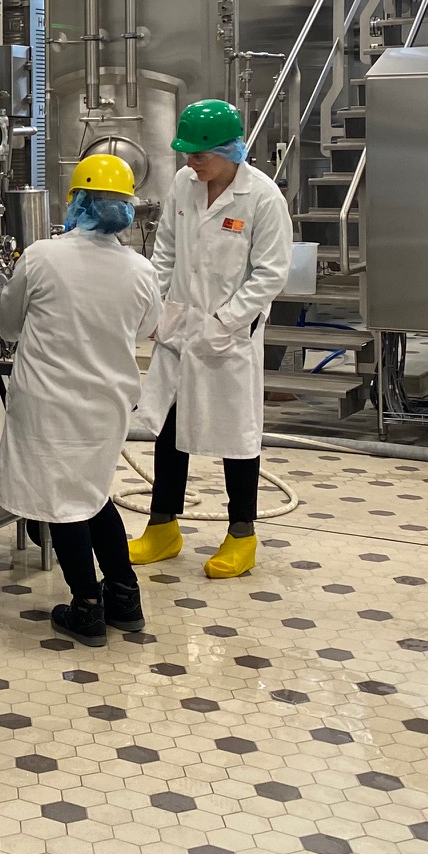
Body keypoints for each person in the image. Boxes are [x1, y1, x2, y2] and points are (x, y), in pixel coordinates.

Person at [0, 154, 163, 648]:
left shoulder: (43, 256)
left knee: (64, 504)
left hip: (49, 402)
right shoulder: (139, 270)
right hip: (107, 404)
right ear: (126, 210)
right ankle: (126, 598)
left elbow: (8, 327)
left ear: (76, 200)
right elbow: (149, 327)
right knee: (92, 496)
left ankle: (87, 606)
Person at [130, 98, 292, 579]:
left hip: (229, 337)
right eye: (186, 153)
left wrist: (226, 321)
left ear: (230, 152)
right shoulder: (184, 184)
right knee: (170, 428)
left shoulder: (262, 198)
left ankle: (241, 534)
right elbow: (166, 249)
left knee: (237, 435)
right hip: (180, 325)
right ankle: (163, 527)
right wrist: (155, 307)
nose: (190, 162)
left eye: (200, 155)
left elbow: (270, 275)